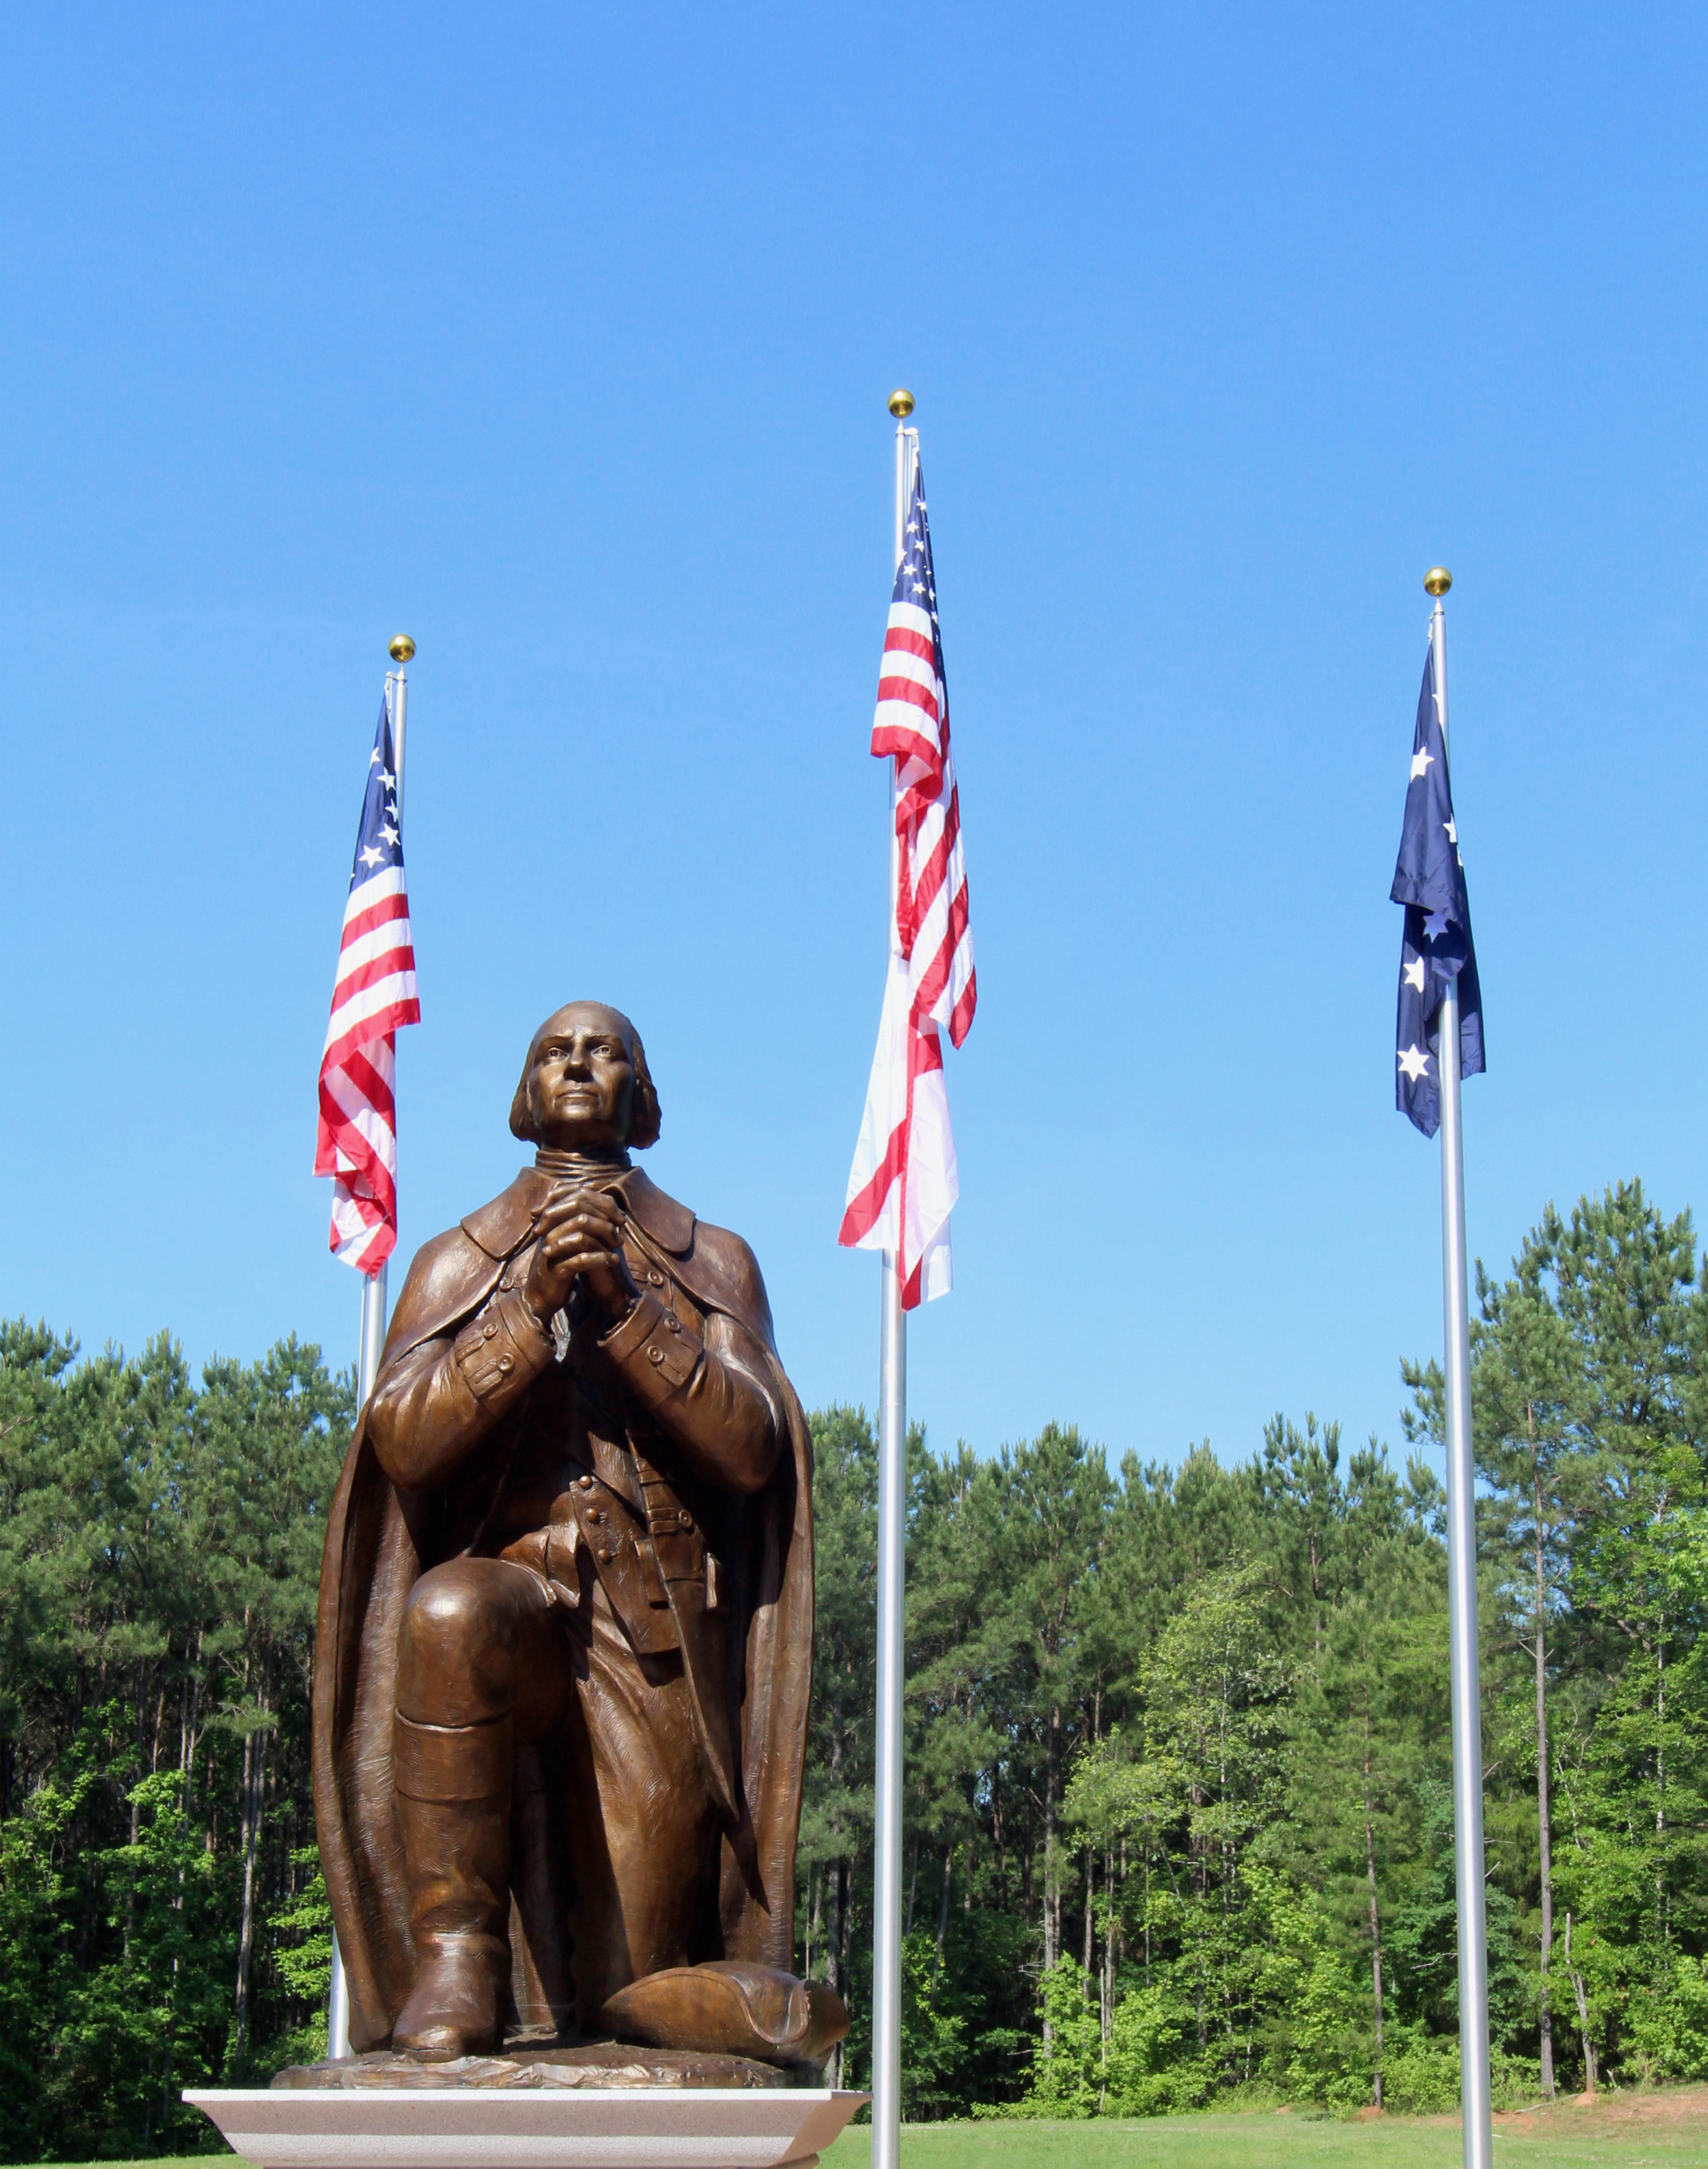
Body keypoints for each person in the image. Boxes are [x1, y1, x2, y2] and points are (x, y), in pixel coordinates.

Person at [313, 1002, 814, 2061]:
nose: (580, 1061)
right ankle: (458, 1954)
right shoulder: (463, 1260)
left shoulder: (711, 1259)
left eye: (607, 1049)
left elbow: (754, 1446)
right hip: (521, 1607)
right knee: (449, 1608)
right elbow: (401, 1443)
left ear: (646, 1098)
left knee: (624, 1998)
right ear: (522, 1097)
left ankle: (740, 2003)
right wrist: (526, 1304)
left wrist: (627, 1309)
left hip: (656, 1641)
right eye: (554, 1049)